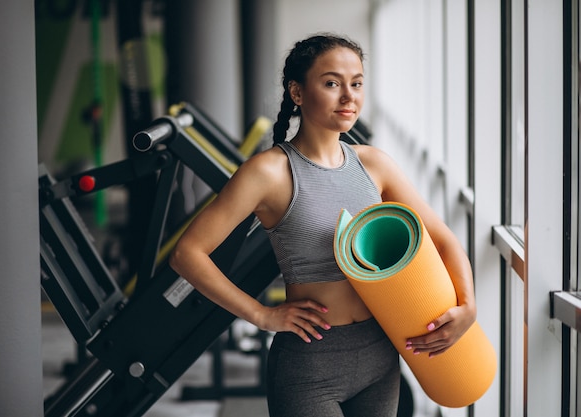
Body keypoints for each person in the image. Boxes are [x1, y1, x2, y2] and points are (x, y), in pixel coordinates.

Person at [169, 33, 476, 417]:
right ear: (297, 92)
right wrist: (262, 315)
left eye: (357, 83)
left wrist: (468, 306)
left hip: (380, 354)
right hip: (309, 364)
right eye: (332, 83)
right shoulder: (269, 172)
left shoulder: (374, 164)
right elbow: (187, 254)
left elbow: (442, 239)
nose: (349, 97)